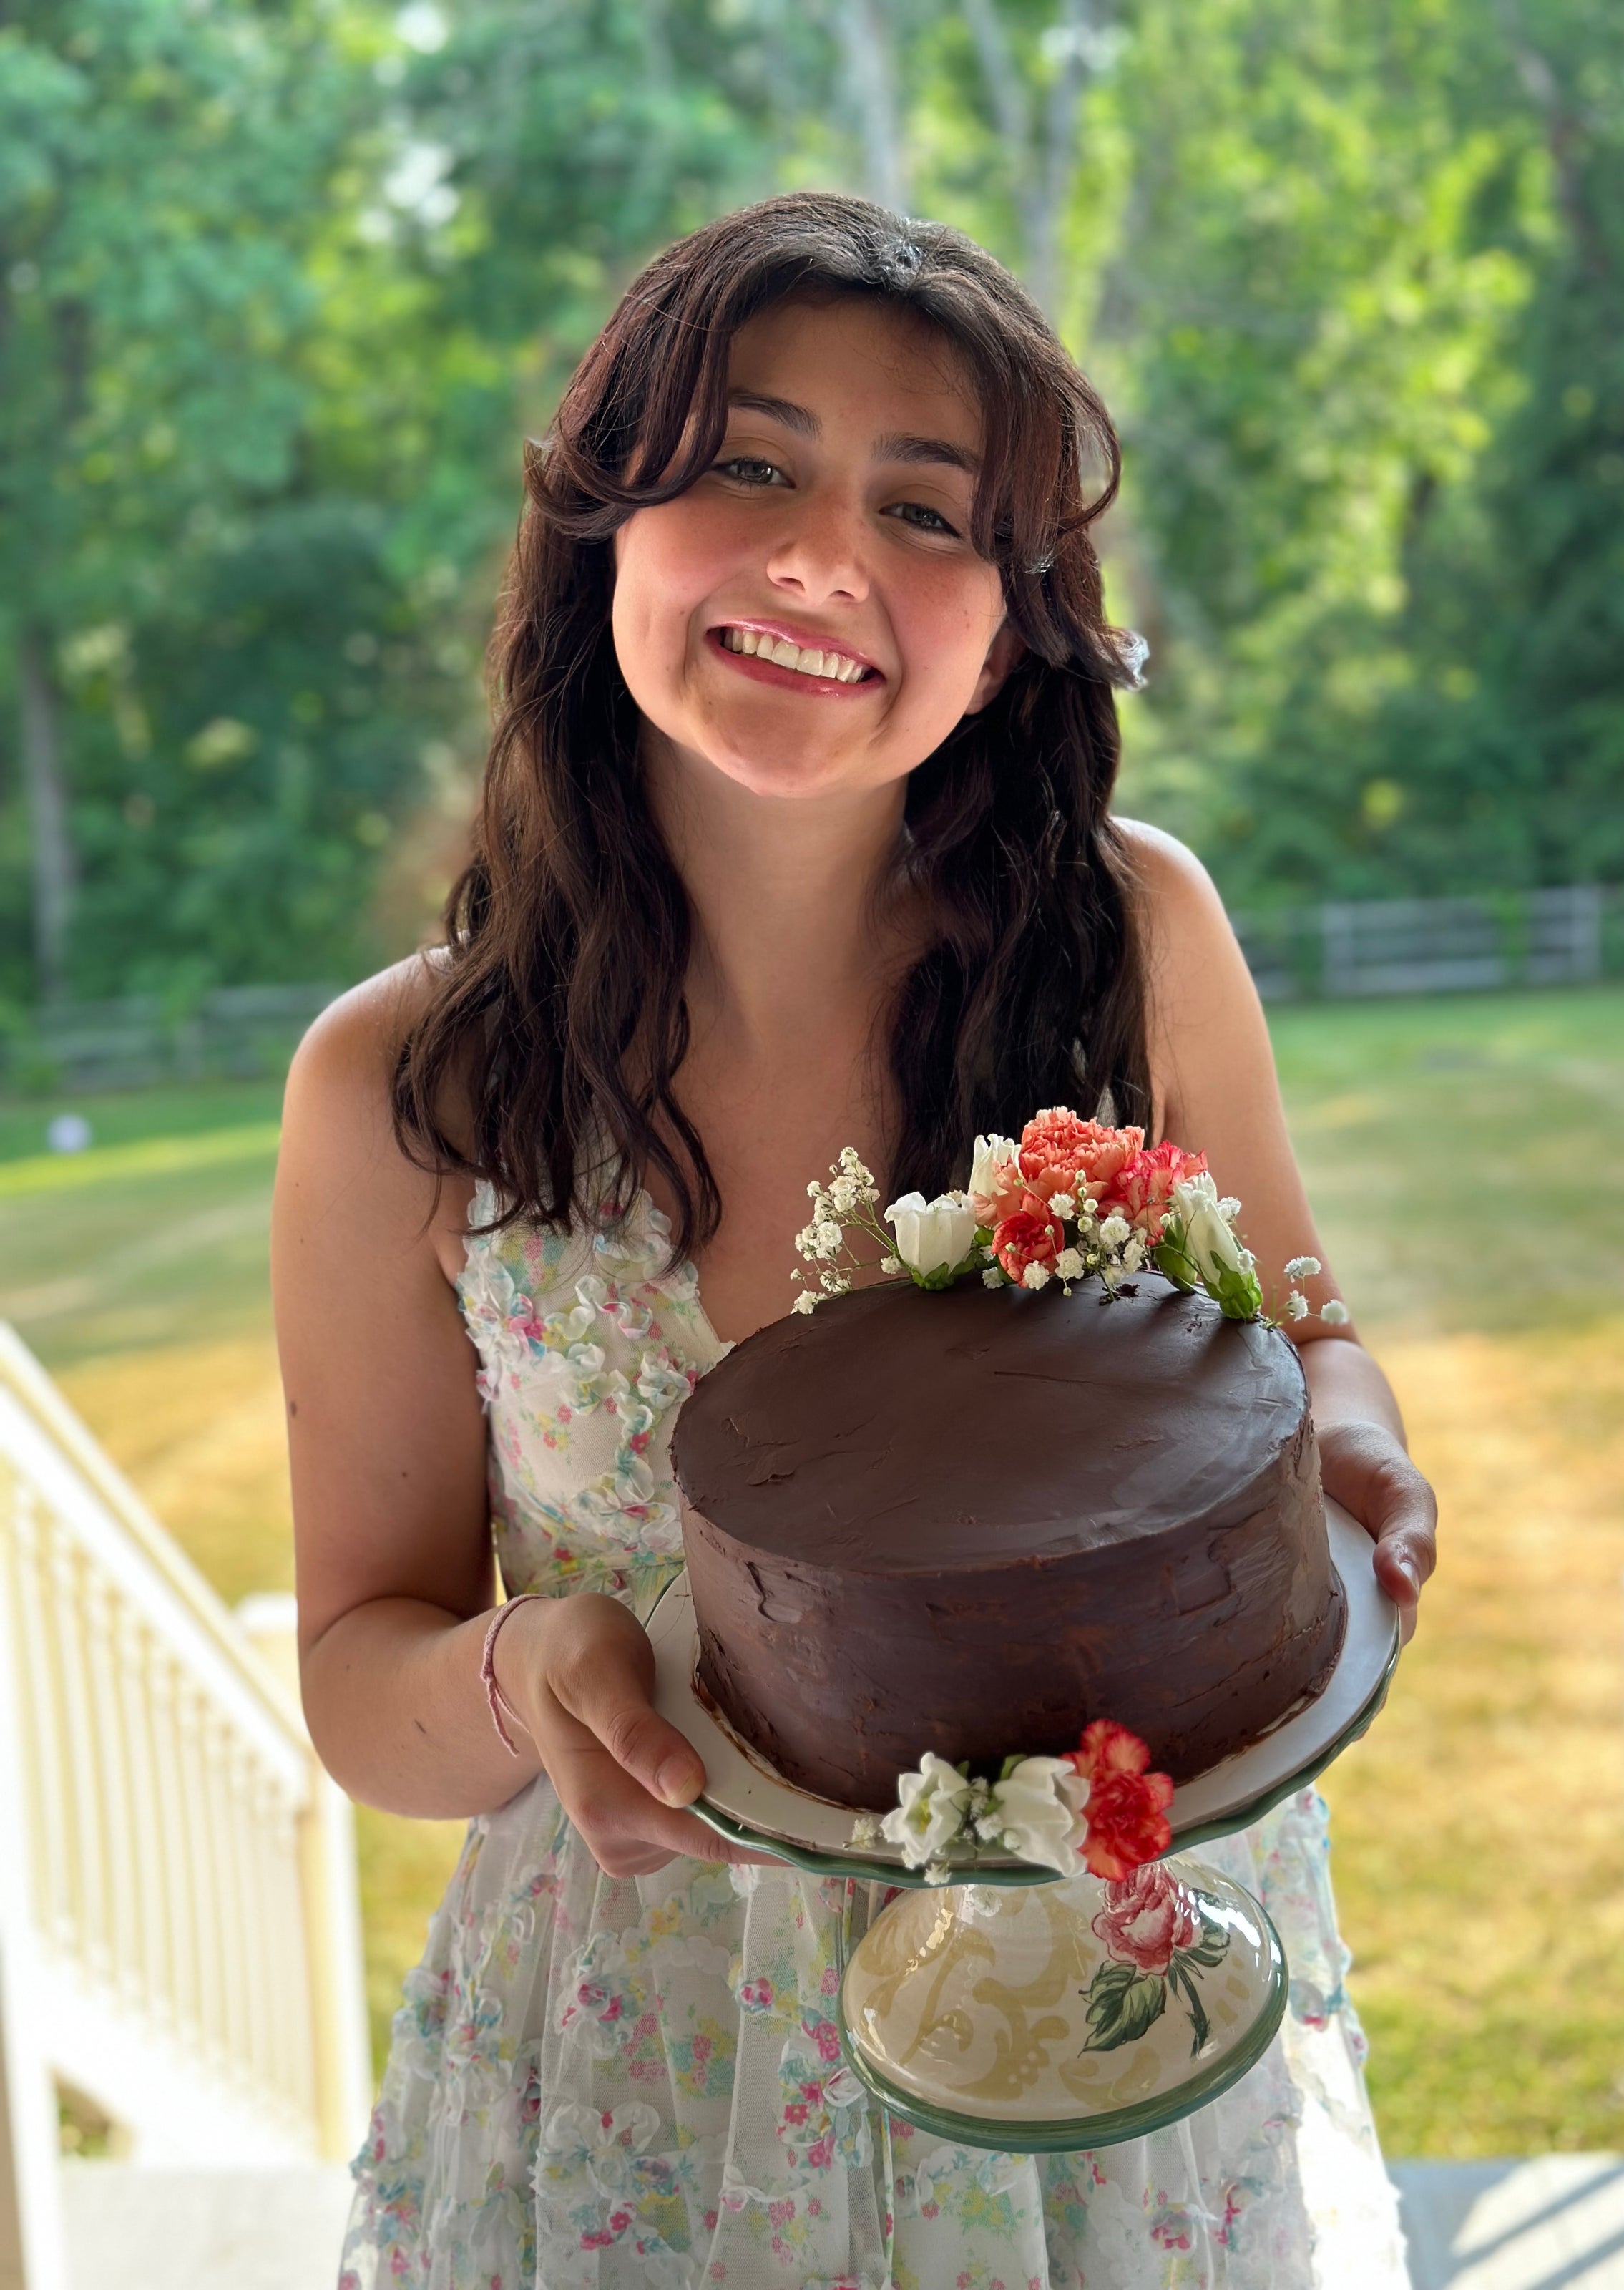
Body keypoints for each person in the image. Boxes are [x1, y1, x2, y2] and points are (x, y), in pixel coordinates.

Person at [275, 190, 1434, 2289]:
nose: (823, 554)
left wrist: (1347, 1449)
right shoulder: (401, 1093)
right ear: (602, 522)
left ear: (1018, 623)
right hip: (651, 2061)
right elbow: (362, 1668)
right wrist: (532, 1675)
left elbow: (1307, 1333)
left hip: (1115, 2013)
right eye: (748, 464)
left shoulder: (1133, 940)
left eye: (928, 509)